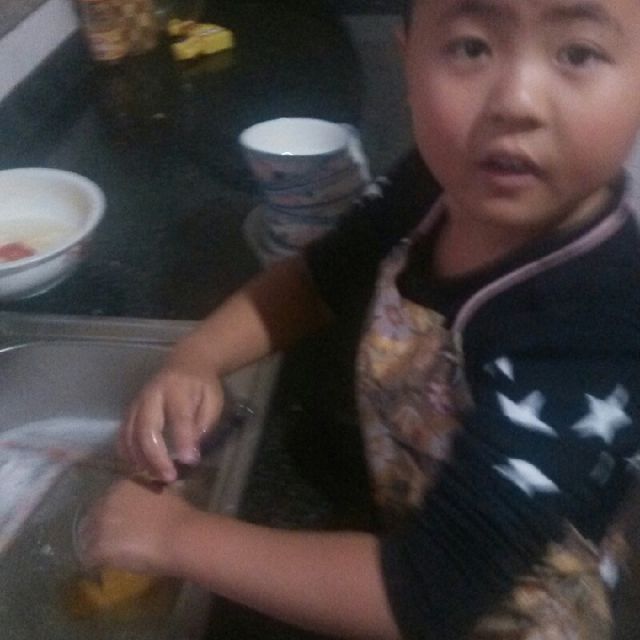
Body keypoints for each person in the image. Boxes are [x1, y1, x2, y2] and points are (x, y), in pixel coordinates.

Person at [80, 1, 640, 638]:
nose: (517, 102)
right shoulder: (440, 177)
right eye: (472, 47)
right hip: (409, 541)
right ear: (407, 65)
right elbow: (322, 276)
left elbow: (422, 595)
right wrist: (198, 356)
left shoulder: (595, 322)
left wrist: (175, 537)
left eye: (578, 53)